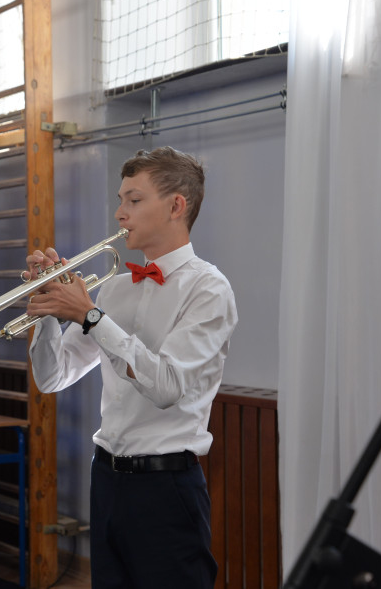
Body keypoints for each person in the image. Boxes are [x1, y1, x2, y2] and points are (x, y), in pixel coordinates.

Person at [24, 146, 238, 589]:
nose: (120, 213)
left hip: (166, 488)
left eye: (134, 200)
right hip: (106, 480)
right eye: (120, 199)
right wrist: (47, 309)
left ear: (177, 206)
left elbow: (166, 386)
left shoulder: (208, 289)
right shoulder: (115, 289)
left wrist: (90, 316)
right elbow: (52, 376)